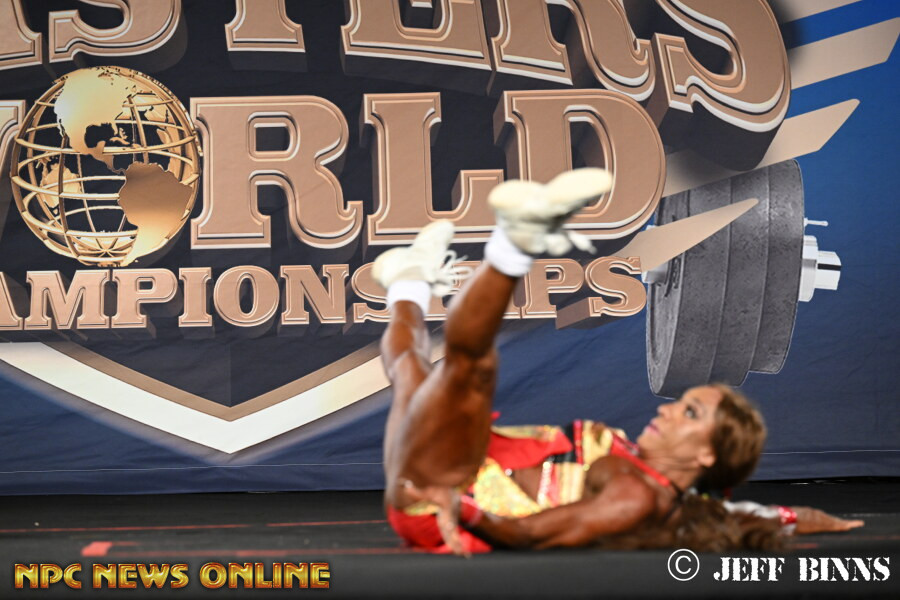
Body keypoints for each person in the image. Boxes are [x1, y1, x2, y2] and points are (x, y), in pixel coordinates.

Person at [372, 168, 862, 555]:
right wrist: (818, 521)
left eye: (689, 413)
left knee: (470, 371)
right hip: (459, 465)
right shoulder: (686, 497)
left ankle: (516, 243)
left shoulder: (635, 495)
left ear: (706, 456)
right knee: (412, 372)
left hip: (443, 496)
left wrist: (462, 509)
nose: (667, 409)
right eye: (683, 403)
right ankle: (406, 282)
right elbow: (764, 514)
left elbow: (530, 535)